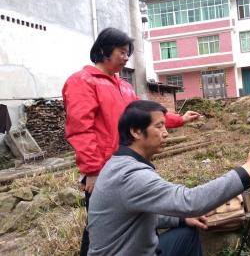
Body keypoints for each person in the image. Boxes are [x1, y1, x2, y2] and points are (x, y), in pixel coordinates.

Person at [62, 28, 200, 256]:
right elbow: (80, 130)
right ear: (104, 50)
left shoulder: (124, 87)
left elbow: (148, 115)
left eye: (128, 53)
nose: (127, 58)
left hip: (129, 166)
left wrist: (179, 120)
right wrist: (92, 170)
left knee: (134, 221)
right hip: (104, 172)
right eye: (122, 52)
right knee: (100, 230)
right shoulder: (82, 82)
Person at [87, 100, 250, 256]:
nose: (166, 133)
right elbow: (190, 201)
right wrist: (248, 170)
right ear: (136, 131)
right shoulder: (129, 175)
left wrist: (181, 220)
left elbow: (141, 212)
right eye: (159, 126)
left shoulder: (120, 163)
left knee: (186, 233)